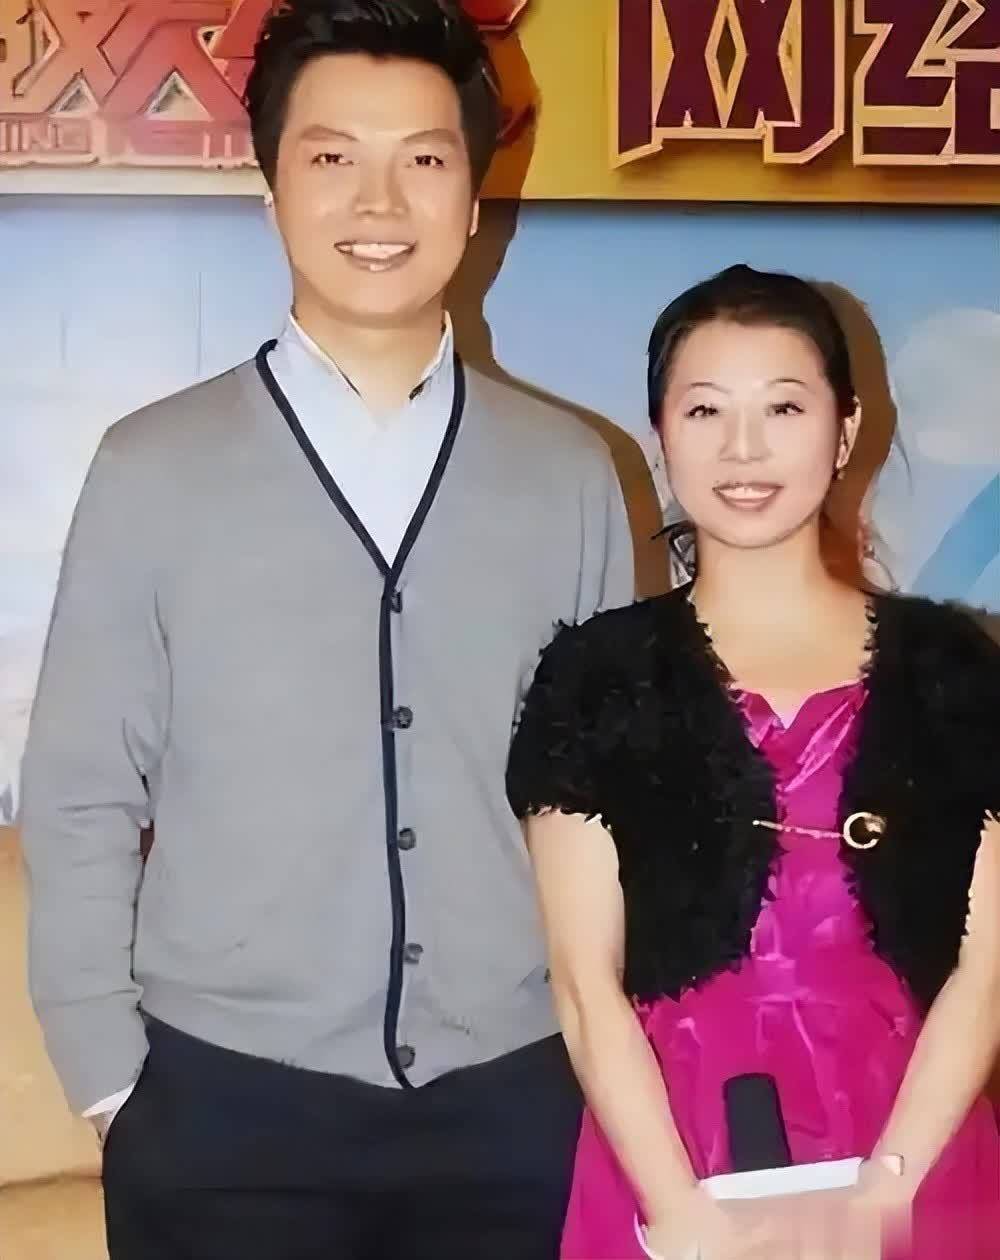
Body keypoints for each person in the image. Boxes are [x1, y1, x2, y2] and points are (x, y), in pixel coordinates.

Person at [18, 3, 633, 1257]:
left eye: (423, 158)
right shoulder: (152, 467)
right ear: (270, 192)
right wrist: (112, 1082)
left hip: (513, 1107)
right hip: (221, 1111)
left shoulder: (571, 473)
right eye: (333, 156)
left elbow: (618, 794)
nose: (378, 202)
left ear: (475, 194)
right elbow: (80, 790)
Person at [507, 264, 1000, 1259]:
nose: (744, 448)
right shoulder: (596, 676)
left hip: (919, 1150)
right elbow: (585, 988)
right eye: (704, 410)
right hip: (671, 1155)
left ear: (845, 431)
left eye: (783, 407)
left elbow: (985, 971)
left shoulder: (952, 669)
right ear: (661, 433)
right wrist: (683, 1216)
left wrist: (883, 1198)